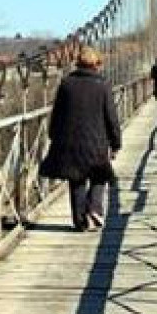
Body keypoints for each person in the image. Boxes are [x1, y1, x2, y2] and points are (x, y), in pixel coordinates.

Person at [40, 46, 121, 231]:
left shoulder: (66, 84)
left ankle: (80, 221)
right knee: (100, 176)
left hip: (70, 142)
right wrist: (116, 143)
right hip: (96, 141)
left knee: (76, 179)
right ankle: (94, 208)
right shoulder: (103, 85)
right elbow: (111, 117)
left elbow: (57, 114)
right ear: (97, 64)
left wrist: (53, 135)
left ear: (77, 63)